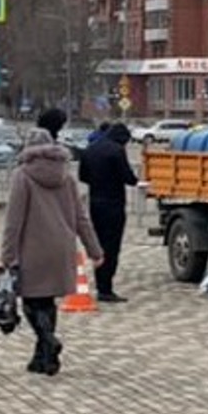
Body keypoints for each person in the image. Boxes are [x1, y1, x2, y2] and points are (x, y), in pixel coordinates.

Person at [0, 108, 102, 376]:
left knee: (32, 302)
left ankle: (48, 340)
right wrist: (95, 250)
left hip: (32, 249)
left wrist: (7, 256)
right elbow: (81, 218)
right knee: (48, 302)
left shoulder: (23, 176)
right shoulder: (66, 177)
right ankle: (44, 359)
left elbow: (14, 220)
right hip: (62, 248)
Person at [78, 121, 138, 302]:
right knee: (112, 246)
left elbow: (83, 176)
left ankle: (100, 283)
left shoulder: (90, 149)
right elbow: (128, 178)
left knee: (98, 244)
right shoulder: (116, 151)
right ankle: (105, 288)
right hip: (113, 204)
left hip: (95, 203)